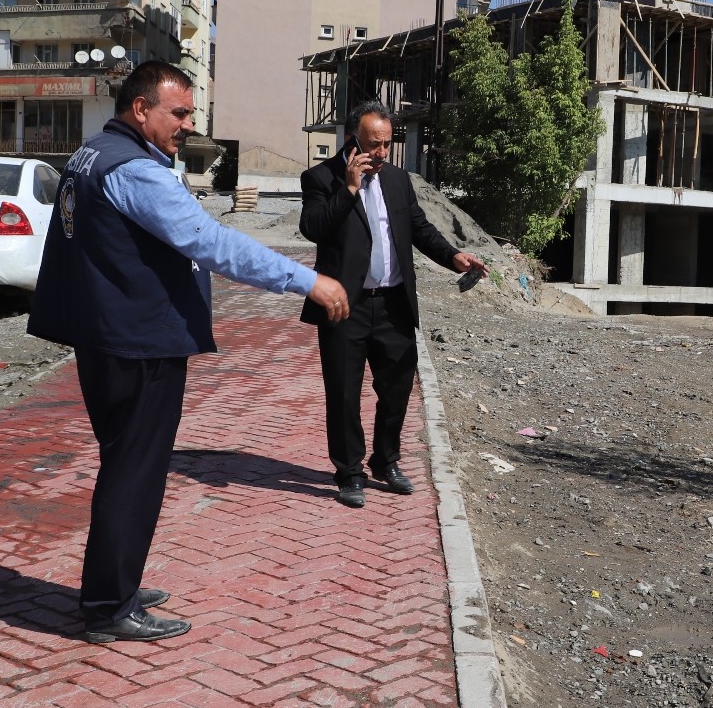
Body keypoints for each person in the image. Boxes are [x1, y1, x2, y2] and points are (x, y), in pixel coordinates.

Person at [29, 60, 350, 644]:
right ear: (140, 109)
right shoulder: (136, 172)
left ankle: (114, 582)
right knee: (135, 472)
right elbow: (208, 241)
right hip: (137, 342)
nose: (187, 125)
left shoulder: (93, 153)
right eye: (177, 113)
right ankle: (108, 606)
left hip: (105, 336)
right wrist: (307, 281)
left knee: (124, 464)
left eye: (191, 113)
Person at [300, 101, 486, 508]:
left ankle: (385, 461)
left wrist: (453, 256)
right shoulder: (320, 177)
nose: (382, 153)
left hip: (393, 305)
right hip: (344, 307)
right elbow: (313, 228)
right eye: (374, 145)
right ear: (353, 140)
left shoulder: (399, 181)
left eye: (388, 144)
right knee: (345, 394)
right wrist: (348, 187)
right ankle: (349, 472)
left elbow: (418, 228)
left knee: (398, 389)